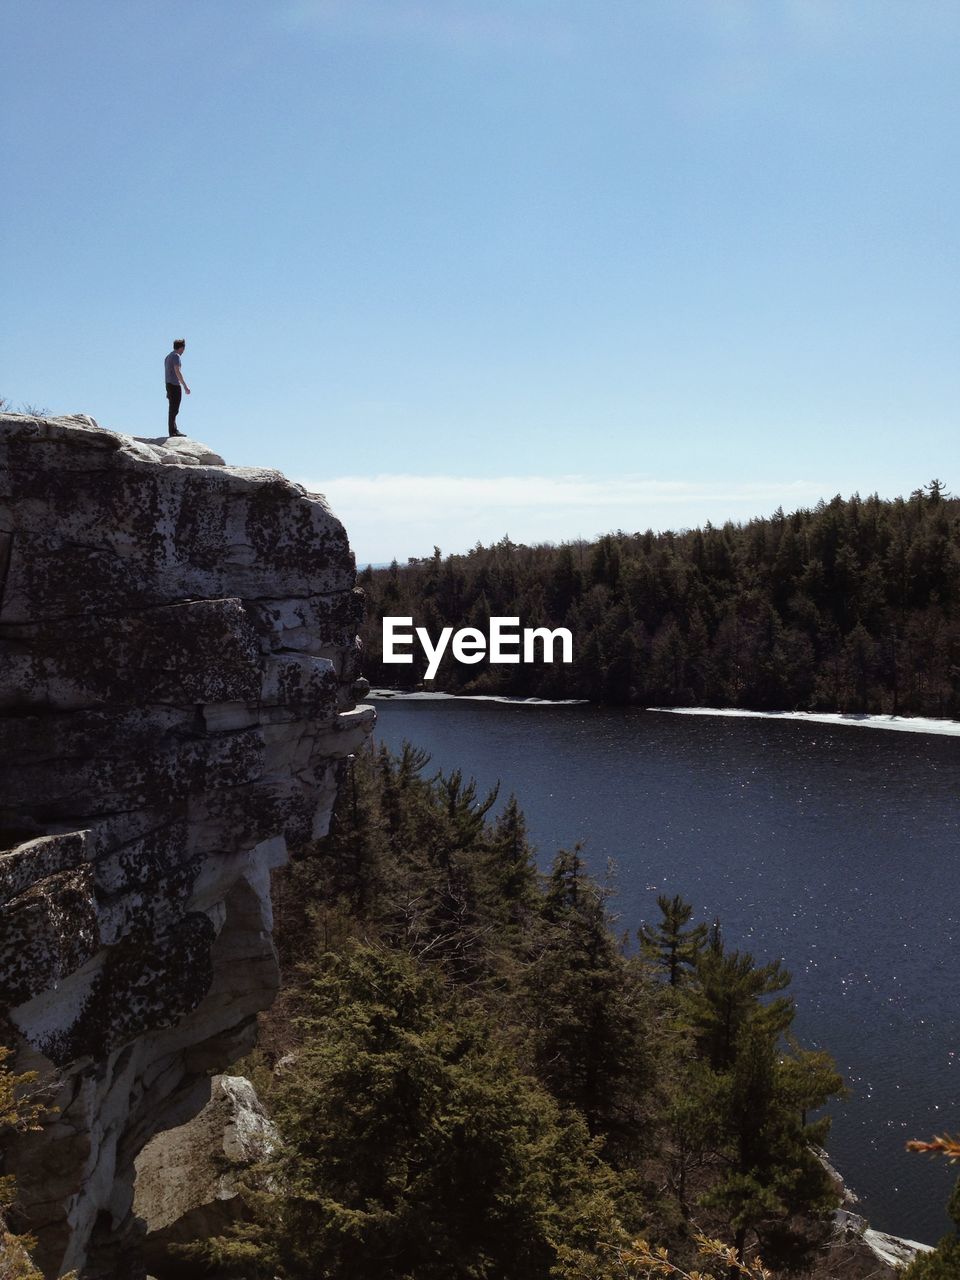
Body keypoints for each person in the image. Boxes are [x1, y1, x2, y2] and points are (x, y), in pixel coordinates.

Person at [164, 339, 190, 437]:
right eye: (184, 349)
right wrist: (185, 386)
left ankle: (173, 430)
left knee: (173, 408)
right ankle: (173, 431)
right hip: (174, 385)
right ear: (182, 348)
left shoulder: (168, 356)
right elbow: (177, 371)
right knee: (174, 409)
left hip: (168, 384)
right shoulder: (176, 356)